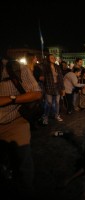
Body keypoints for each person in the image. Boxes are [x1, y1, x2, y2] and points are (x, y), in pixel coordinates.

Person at [0, 58, 42, 198]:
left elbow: (36, 93)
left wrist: (11, 99)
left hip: (15, 122)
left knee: (23, 165)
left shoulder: (14, 67)